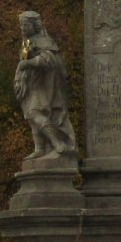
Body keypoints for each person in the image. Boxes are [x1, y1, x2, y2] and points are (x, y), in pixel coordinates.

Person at [14, 11, 78, 160]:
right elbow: (23, 59)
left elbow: (48, 60)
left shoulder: (44, 41)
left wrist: (27, 64)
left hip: (44, 84)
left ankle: (57, 143)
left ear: (35, 26)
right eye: (21, 25)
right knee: (31, 117)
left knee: (34, 113)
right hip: (31, 84)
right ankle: (40, 149)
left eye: (26, 25)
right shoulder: (27, 42)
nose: (23, 28)